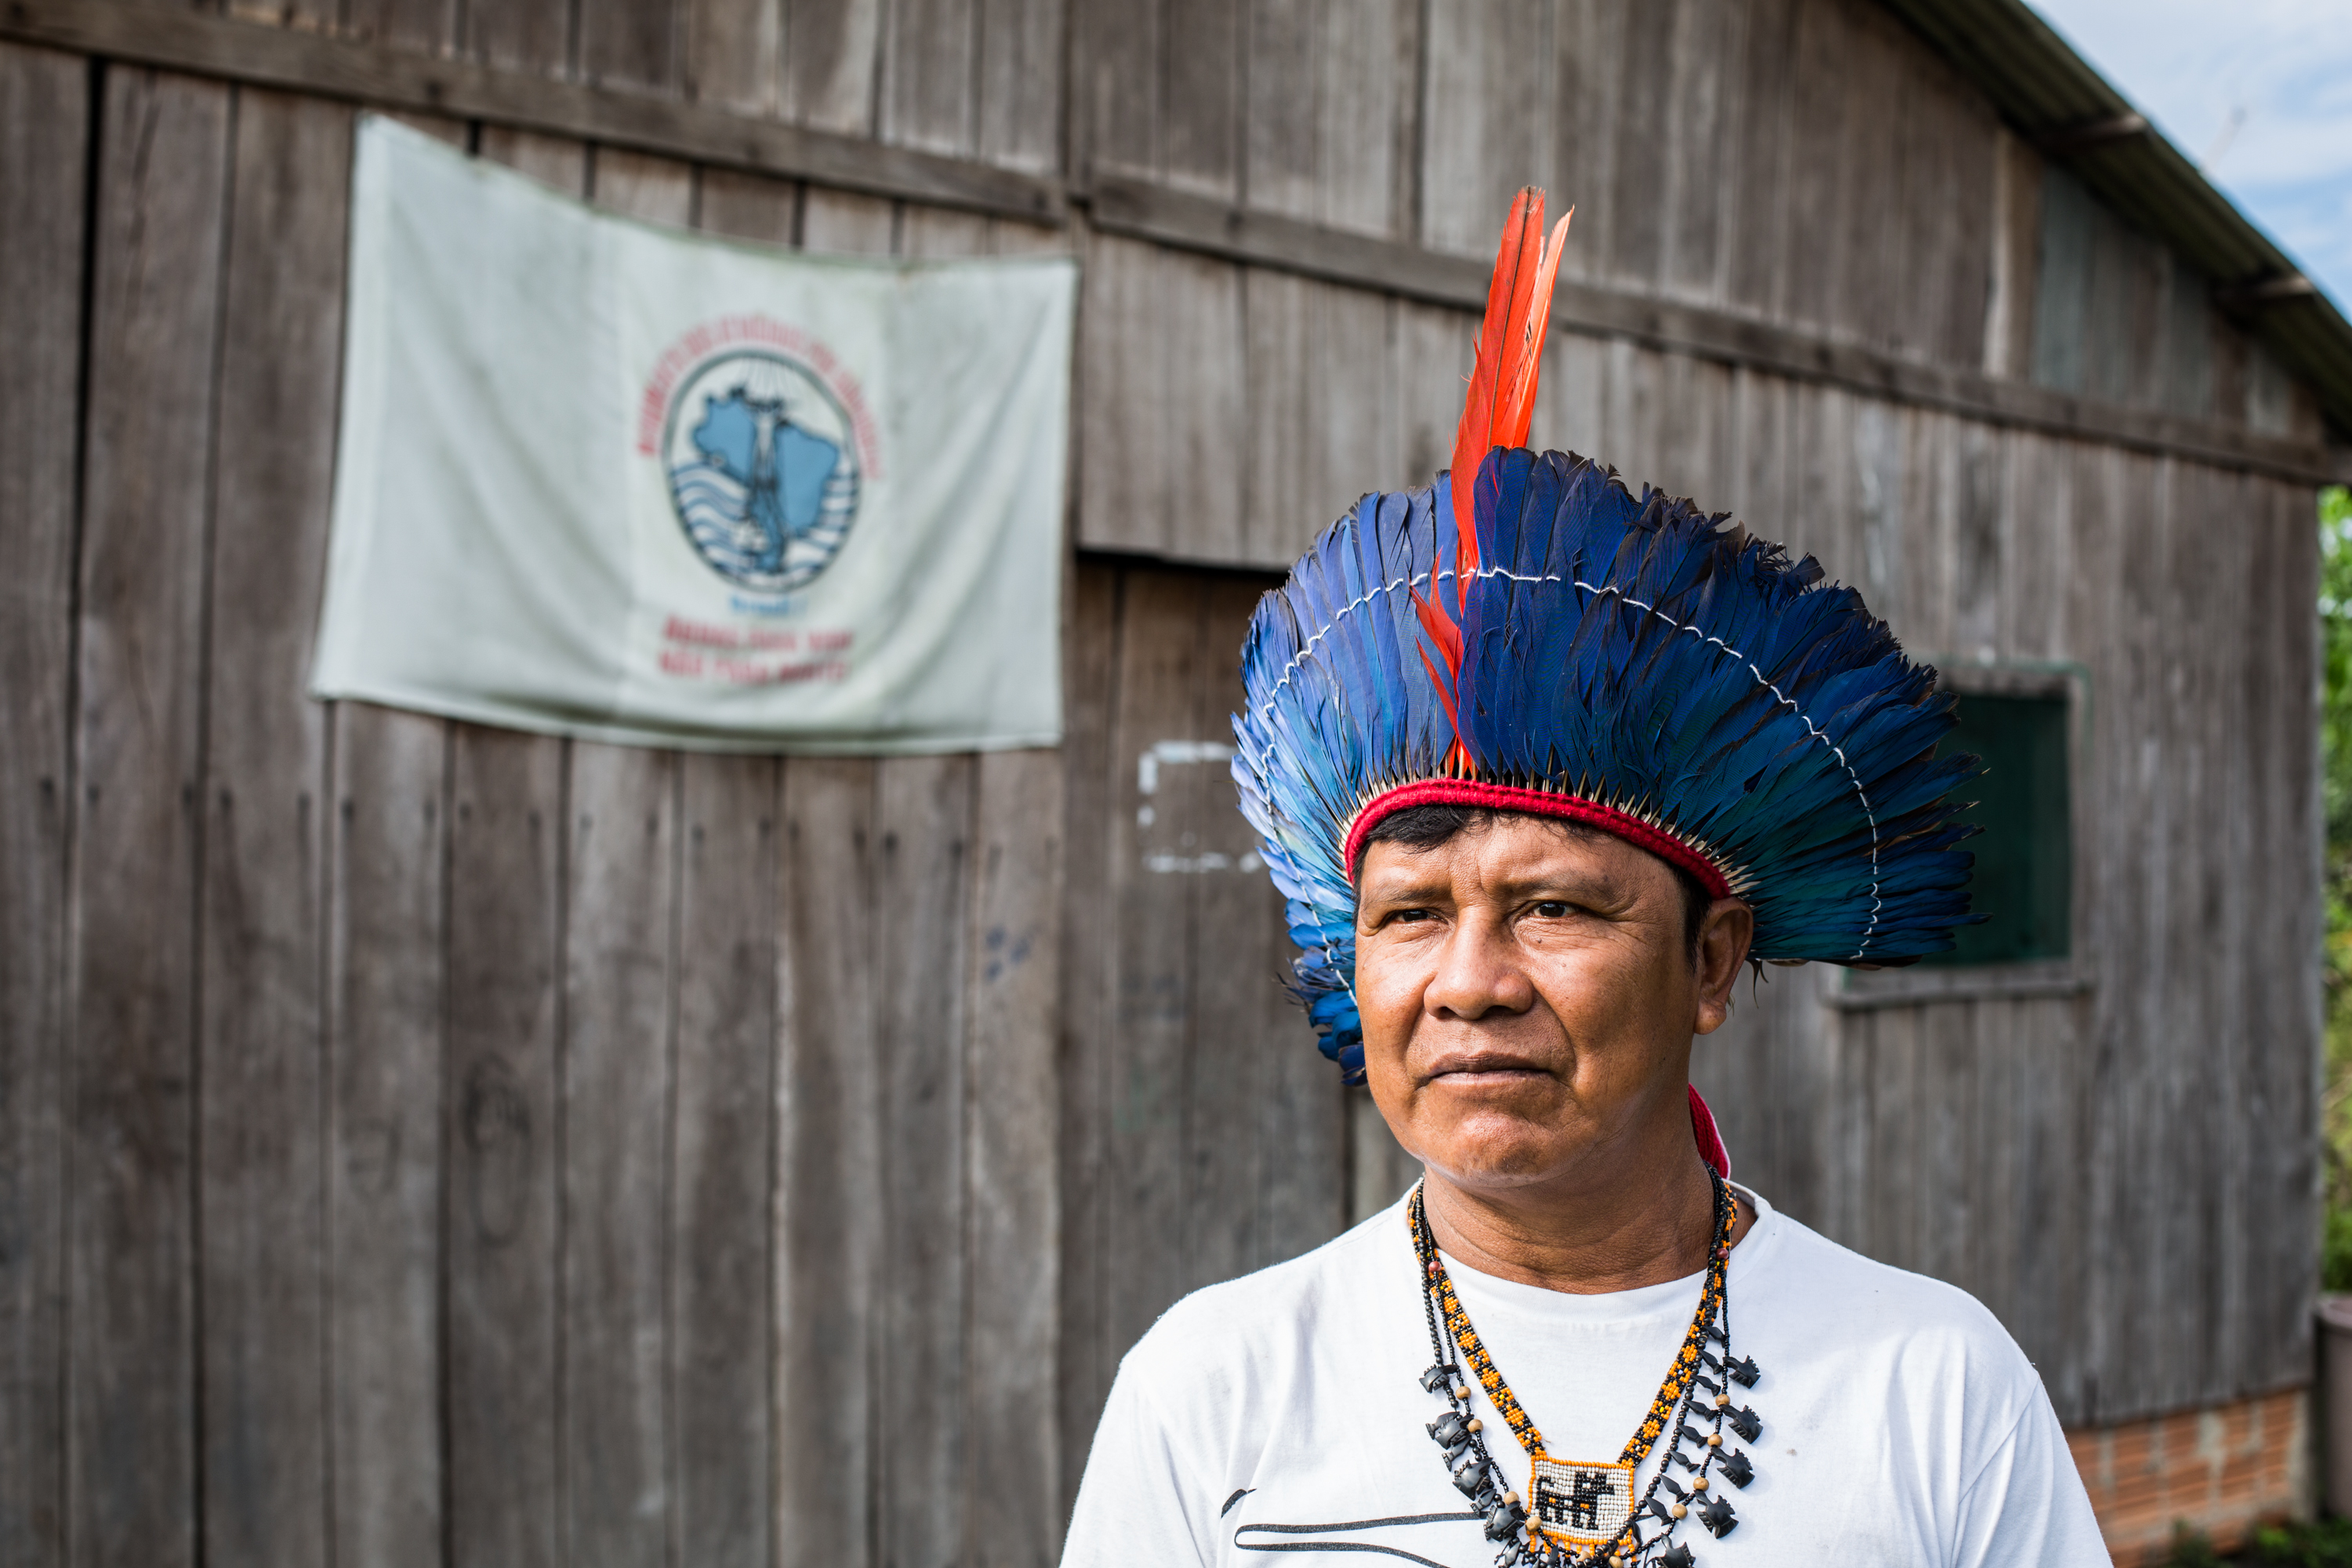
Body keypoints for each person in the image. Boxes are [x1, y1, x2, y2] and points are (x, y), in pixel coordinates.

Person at [1059, 191, 2107, 1567]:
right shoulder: (1216, 1394)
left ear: (1713, 960)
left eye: (1552, 907)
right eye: (1411, 916)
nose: (1471, 985)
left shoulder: (1933, 1390)